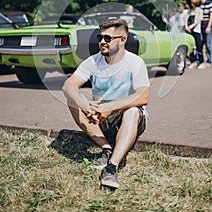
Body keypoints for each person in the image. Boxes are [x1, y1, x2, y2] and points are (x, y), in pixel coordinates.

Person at [62, 19, 150, 189]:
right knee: (72, 101)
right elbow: (68, 85)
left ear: (122, 40)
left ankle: (112, 166)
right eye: (100, 37)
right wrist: (86, 105)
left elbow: (143, 97)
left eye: (108, 38)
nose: (102, 42)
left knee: (132, 110)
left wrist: (108, 107)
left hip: (126, 118)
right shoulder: (93, 61)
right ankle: (106, 148)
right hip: (99, 117)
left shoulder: (135, 63)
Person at [195, 0, 212, 67]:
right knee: (200, 43)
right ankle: (200, 60)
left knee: (208, 43)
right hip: (201, 25)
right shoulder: (199, 5)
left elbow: (211, 16)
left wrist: (209, 27)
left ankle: (209, 60)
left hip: (207, 24)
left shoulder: (209, 4)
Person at [185, 0, 204, 69]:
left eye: (193, 3)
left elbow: (198, 21)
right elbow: (186, 18)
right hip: (189, 30)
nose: (192, 4)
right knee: (191, 47)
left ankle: (201, 61)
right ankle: (193, 61)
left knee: (199, 46)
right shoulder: (190, 11)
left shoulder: (199, 11)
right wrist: (186, 26)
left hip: (196, 30)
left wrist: (191, 27)